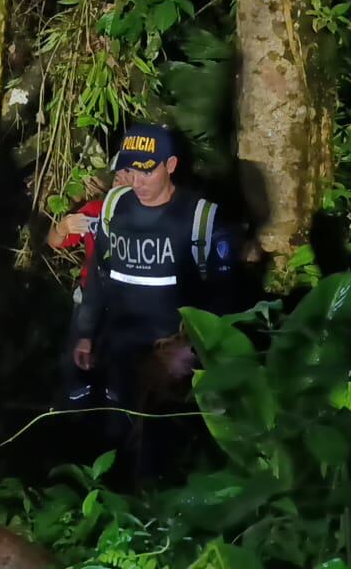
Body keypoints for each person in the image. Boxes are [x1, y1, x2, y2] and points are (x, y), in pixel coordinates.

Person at [72, 124, 239, 481]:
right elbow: (99, 273)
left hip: (171, 353)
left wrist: (192, 348)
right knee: (112, 432)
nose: (138, 180)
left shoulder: (200, 217)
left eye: (148, 169)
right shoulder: (116, 206)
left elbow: (224, 293)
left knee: (163, 443)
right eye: (131, 169)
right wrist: (86, 332)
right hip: (118, 343)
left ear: (172, 165)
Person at [46, 166, 130, 407]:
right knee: (73, 361)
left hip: (126, 301)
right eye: (118, 173)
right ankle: (75, 411)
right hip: (89, 294)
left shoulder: (149, 216)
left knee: (119, 366)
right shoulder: (95, 211)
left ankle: (117, 413)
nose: (120, 178)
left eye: (128, 173)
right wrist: (62, 228)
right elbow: (54, 242)